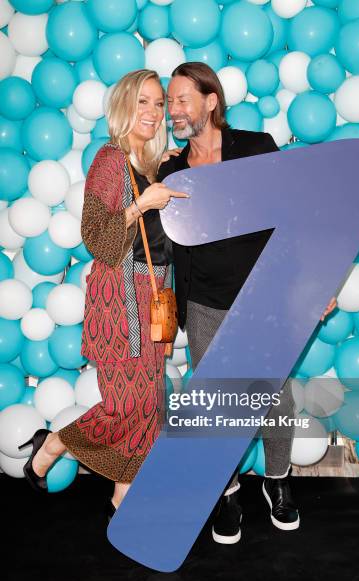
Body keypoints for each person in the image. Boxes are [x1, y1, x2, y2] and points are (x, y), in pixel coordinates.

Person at [158, 62, 336, 545]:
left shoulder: (257, 148)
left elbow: (295, 215)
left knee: (275, 400)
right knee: (219, 405)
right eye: (169, 101)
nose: (173, 109)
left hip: (267, 298)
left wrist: (317, 282)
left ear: (210, 101)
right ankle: (228, 491)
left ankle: (277, 483)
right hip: (205, 306)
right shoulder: (171, 171)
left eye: (181, 99)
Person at [18, 69, 188, 521]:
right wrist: (141, 204)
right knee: (126, 404)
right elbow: (94, 236)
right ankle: (54, 442)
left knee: (150, 402)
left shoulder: (150, 165)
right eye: (144, 102)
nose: (153, 112)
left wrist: (161, 172)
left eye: (158, 104)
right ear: (125, 106)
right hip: (119, 300)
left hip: (155, 297)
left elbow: (164, 247)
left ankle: (123, 496)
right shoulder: (110, 159)